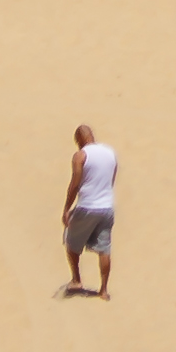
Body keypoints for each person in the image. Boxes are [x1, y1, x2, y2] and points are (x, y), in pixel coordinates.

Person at [62, 122, 117, 295]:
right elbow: (111, 181)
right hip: (107, 207)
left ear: (79, 140)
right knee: (104, 248)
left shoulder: (81, 156)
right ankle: (103, 290)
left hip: (87, 206)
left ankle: (76, 280)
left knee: (71, 240)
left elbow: (75, 183)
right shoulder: (110, 153)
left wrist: (67, 208)